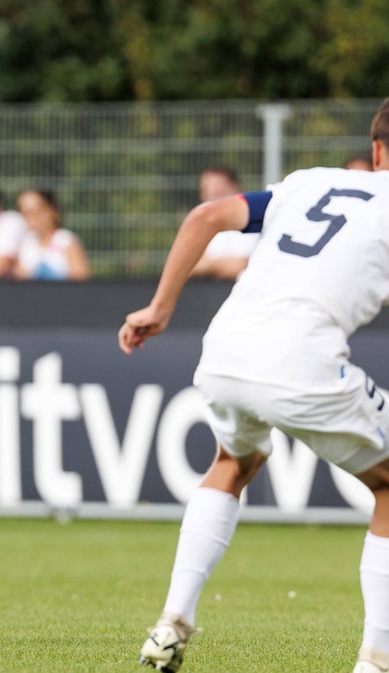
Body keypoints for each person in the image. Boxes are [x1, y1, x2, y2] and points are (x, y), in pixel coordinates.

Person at [118, 97, 389, 673]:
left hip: (226, 347)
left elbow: (204, 217)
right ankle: (376, 659)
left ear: (375, 149)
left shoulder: (308, 182)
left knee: (233, 462)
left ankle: (171, 623)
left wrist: (159, 308)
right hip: (302, 358)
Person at [189, 165, 256, 280]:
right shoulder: (198, 222)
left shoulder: (253, 220)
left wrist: (209, 266)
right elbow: (188, 266)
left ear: (235, 187)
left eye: (219, 186)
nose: (213, 192)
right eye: (207, 188)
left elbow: (244, 265)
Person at [13, 188, 90, 281]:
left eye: (36, 211)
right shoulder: (25, 243)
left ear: (52, 210)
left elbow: (80, 278)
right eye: (25, 212)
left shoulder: (66, 240)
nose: (31, 217)